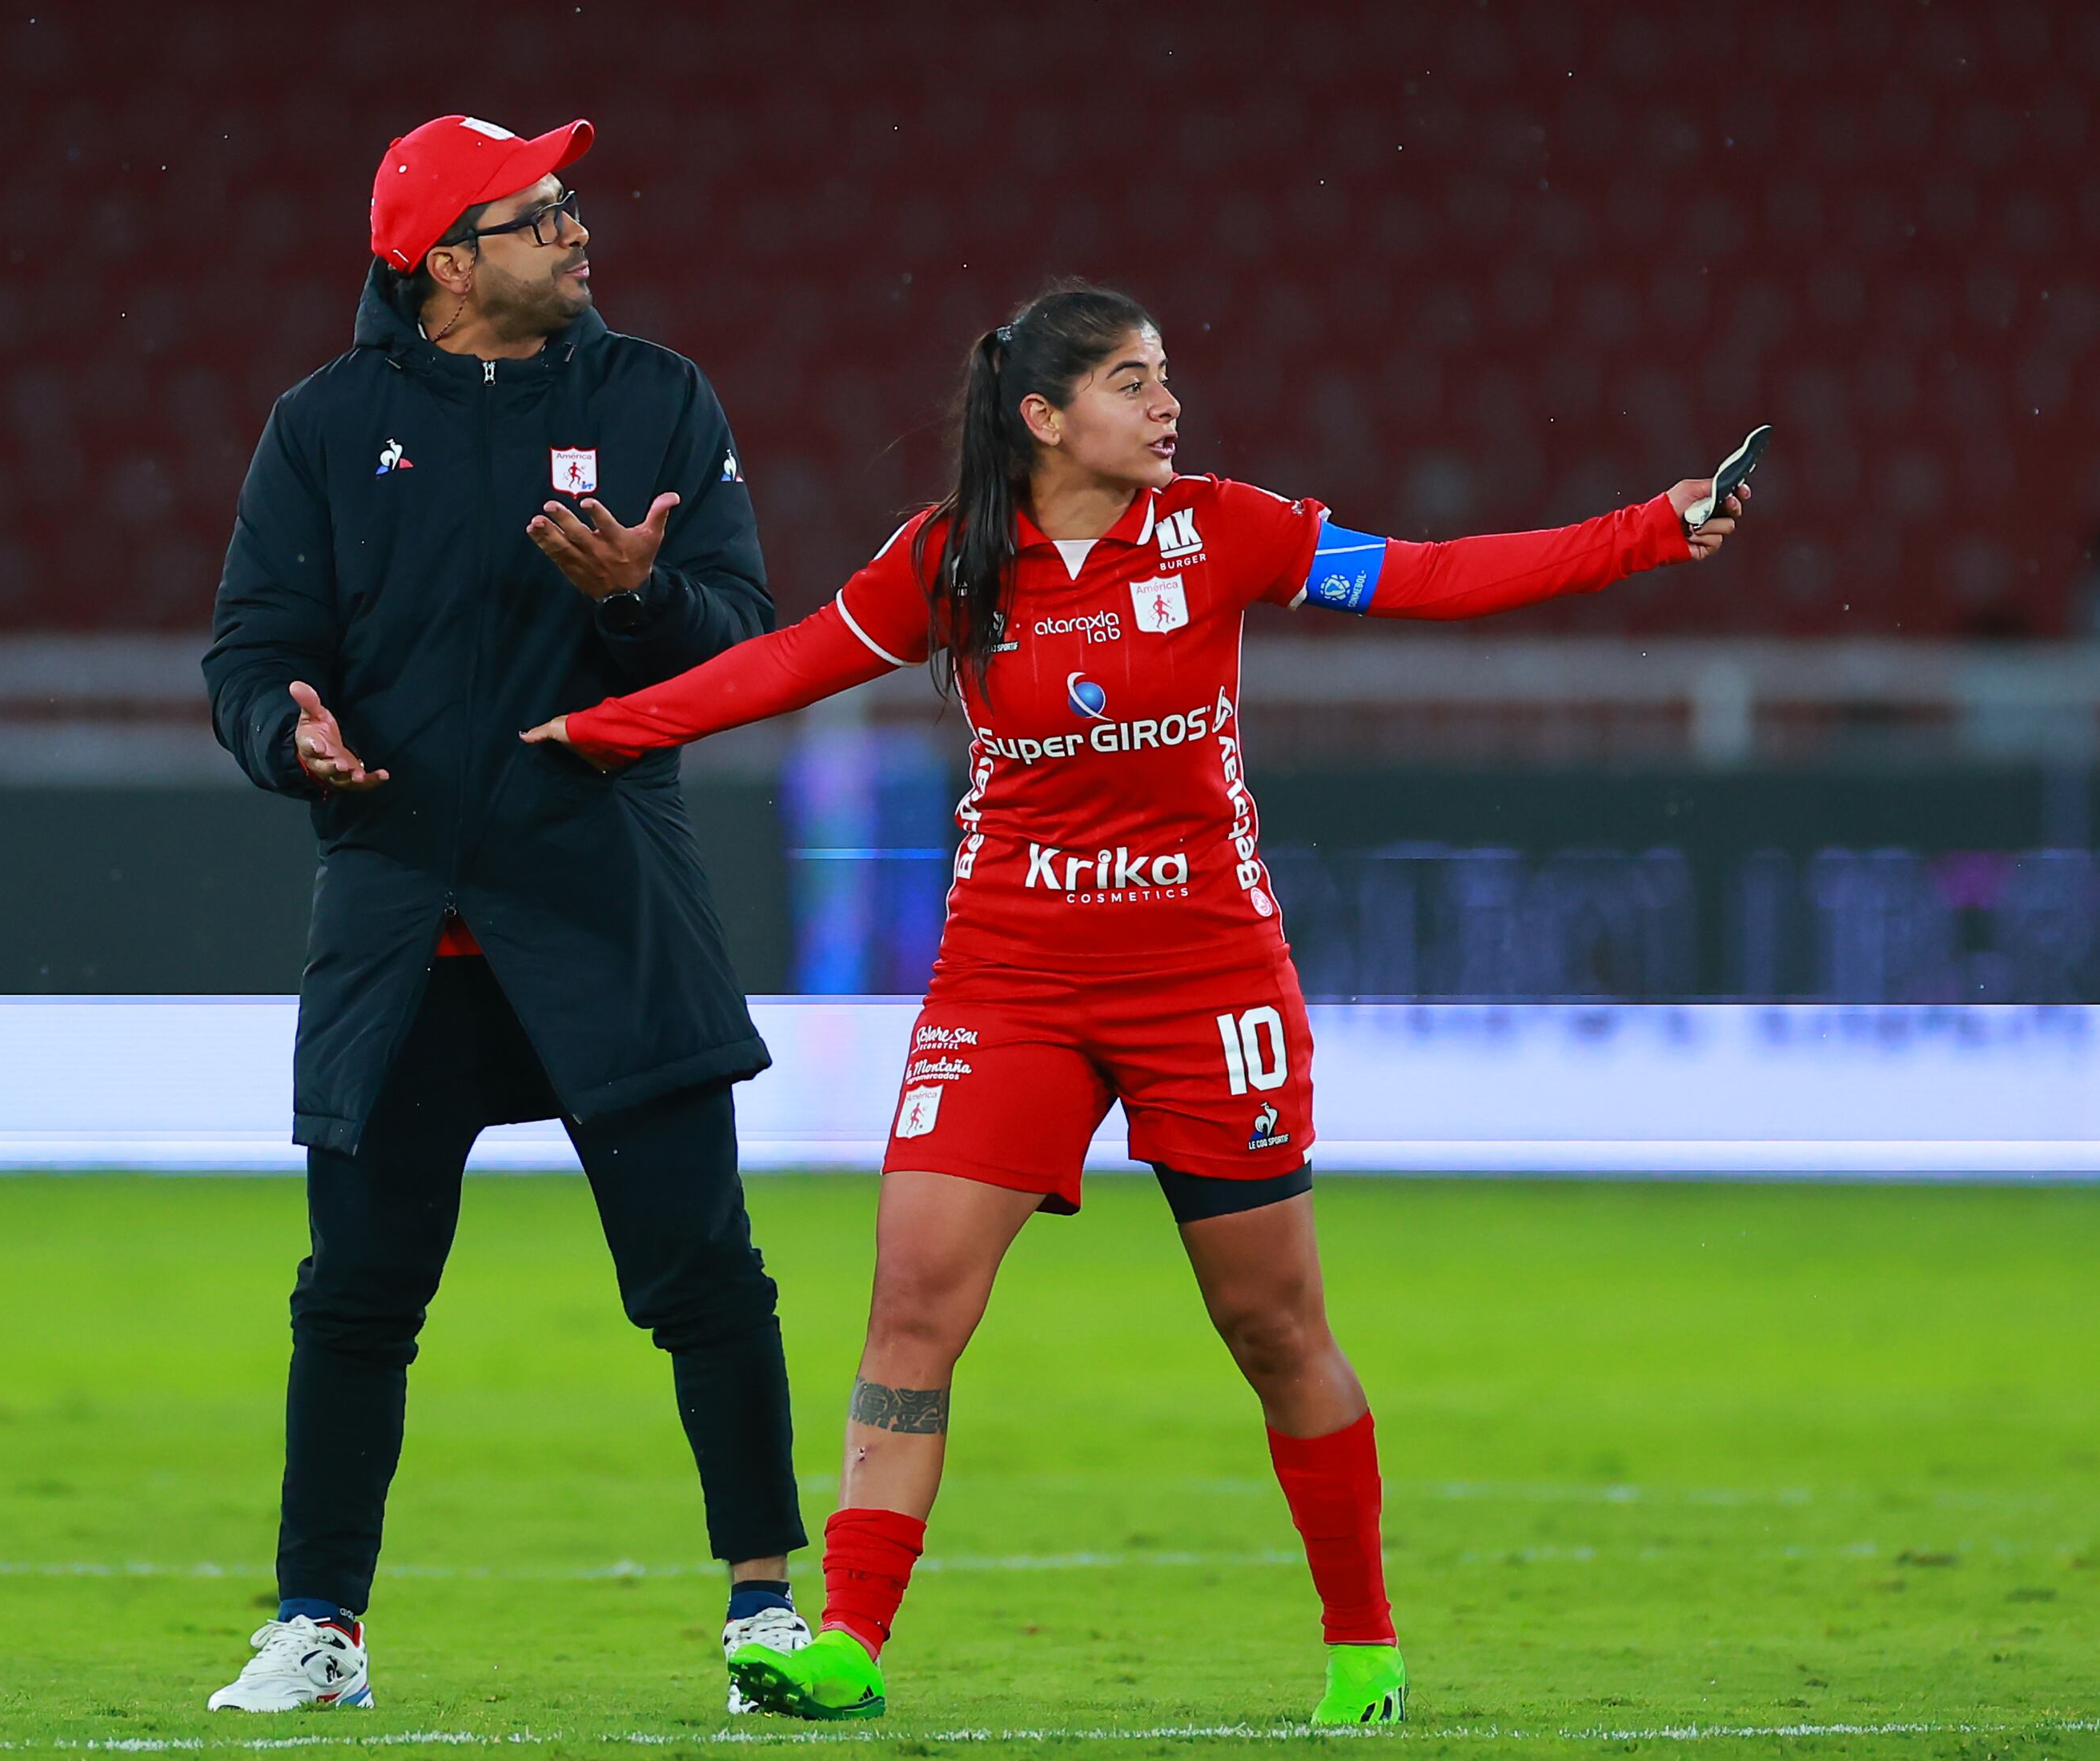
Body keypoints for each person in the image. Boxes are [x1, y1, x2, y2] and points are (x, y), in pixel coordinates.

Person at [524, 283, 1751, 1727]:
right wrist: (604, 732)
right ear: (1044, 418)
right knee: (912, 1307)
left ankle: (1363, 1647)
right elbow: (789, 661)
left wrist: (1651, 528)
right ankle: (849, 1641)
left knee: (1272, 1328)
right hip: (1011, 976)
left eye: (1165, 377)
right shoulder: (952, 560)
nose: (1168, 405)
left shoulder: (1230, 529)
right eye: (1131, 381)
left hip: (1204, 976)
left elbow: (1434, 576)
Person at [200, 114, 811, 1715]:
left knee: (705, 1279)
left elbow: (743, 645)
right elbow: (251, 650)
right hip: (406, 923)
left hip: (608, 910)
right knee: (355, 1297)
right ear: (444, 263)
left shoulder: (657, 399)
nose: (577, 227)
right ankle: (320, 1626)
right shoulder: (325, 426)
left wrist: (637, 599)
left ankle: (764, 1610)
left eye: (568, 202)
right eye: (536, 213)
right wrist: (285, 734)